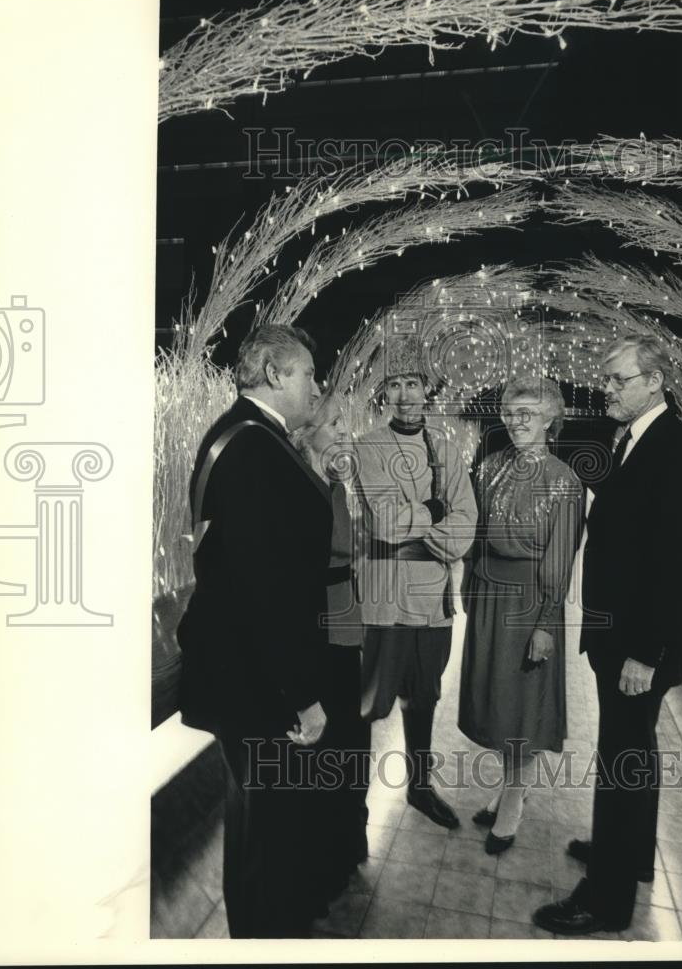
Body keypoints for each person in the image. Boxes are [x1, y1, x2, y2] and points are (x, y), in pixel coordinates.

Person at [533, 334, 682, 935]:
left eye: (617, 379)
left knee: (621, 762)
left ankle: (604, 901)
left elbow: (672, 564)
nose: (605, 389)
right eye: (605, 379)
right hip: (621, 635)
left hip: (637, 644)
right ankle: (631, 855)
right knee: (634, 754)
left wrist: (645, 652)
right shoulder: (633, 438)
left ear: (654, 381)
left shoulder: (679, 451)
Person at [176, 324, 333, 939]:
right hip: (258, 683)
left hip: (244, 671)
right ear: (275, 374)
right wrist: (301, 695)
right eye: (307, 375)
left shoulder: (245, 435)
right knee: (262, 834)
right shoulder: (254, 446)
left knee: (257, 826)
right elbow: (267, 591)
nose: (315, 387)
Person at [354, 335, 477, 828]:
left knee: (423, 698)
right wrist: (433, 512)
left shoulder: (447, 450)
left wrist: (422, 531)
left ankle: (419, 789)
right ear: (385, 395)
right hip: (383, 602)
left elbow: (466, 524)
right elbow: (383, 524)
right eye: (395, 385)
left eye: (413, 384)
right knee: (368, 706)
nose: (405, 395)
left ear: (428, 391)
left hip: (431, 604)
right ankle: (351, 806)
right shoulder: (367, 448)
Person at [459, 377, 584, 853]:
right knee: (496, 702)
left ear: (550, 419)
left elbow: (560, 558)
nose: (515, 422)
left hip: (530, 604)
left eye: (527, 414)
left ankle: (513, 800)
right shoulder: (489, 467)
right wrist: (470, 585)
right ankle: (511, 787)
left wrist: (547, 623)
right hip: (490, 599)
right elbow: (473, 535)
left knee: (522, 708)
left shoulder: (565, 480)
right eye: (510, 412)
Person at [289, 393, 371, 897]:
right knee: (328, 750)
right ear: (304, 433)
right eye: (334, 423)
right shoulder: (301, 488)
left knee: (348, 744)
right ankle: (322, 865)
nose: (344, 431)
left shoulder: (334, 483)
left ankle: (344, 848)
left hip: (344, 622)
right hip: (317, 629)